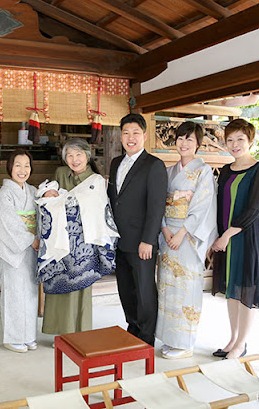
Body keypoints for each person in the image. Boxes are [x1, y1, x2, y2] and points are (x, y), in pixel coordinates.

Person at [37, 138, 118, 336]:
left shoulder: (96, 181)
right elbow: (48, 201)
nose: (74, 160)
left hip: (83, 244)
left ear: (87, 156)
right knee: (58, 283)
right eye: (69, 155)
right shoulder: (60, 174)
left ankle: (79, 331)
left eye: (78, 154)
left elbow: (100, 212)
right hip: (60, 239)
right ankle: (58, 331)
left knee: (80, 287)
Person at [155, 122, 218, 359]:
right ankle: (171, 339)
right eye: (180, 138)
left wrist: (181, 233)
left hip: (188, 237)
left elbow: (202, 207)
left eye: (189, 139)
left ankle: (185, 343)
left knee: (186, 288)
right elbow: (159, 202)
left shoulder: (203, 171)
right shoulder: (168, 172)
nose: (183, 143)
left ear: (198, 144)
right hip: (167, 235)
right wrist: (163, 228)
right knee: (168, 287)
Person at [212, 119, 259, 359]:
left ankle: (242, 343)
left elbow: (253, 209)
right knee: (231, 289)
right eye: (230, 140)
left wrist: (227, 234)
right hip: (224, 237)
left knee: (245, 288)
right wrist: (217, 235)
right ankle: (233, 338)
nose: (235, 145)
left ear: (250, 141)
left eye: (240, 140)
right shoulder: (226, 170)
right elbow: (219, 205)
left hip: (244, 239)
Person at [107, 113, 168, 346]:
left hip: (141, 241)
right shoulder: (115, 163)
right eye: (125, 133)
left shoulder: (154, 165)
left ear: (144, 135)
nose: (130, 138)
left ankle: (146, 338)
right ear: (120, 136)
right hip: (119, 239)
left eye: (135, 133)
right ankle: (132, 329)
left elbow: (156, 206)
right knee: (125, 288)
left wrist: (148, 240)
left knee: (144, 290)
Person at [0, 149, 39, 353]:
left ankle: (28, 335)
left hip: (31, 249)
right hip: (13, 251)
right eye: (18, 165)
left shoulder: (33, 191)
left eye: (27, 165)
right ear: (10, 167)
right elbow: (7, 223)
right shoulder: (4, 194)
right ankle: (12, 337)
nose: (23, 170)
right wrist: (31, 239)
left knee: (30, 293)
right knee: (13, 294)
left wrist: (38, 240)